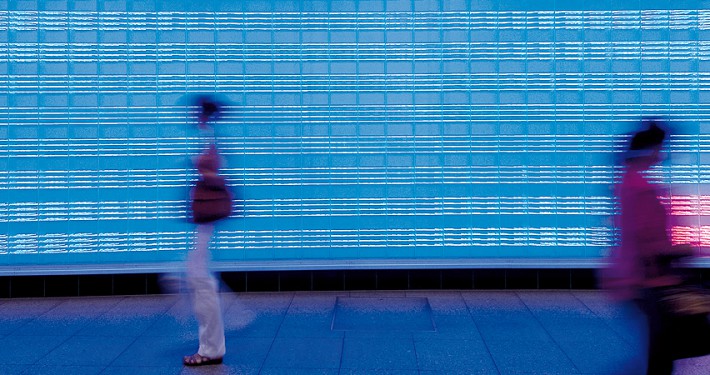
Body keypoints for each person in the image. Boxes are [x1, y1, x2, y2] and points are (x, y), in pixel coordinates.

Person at [602, 119, 706, 374]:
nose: (664, 154)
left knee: (660, 348)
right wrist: (691, 250)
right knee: (663, 348)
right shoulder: (642, 189)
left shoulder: (626, 181)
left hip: (630, 275)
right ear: (650, 150)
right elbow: (651, 243)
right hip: (649, 279)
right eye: (661, 148)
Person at [182, 95, 231, 366]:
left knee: (199, 277)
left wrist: (204, 173)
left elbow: (214, 173)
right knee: (198, 276)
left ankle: (210, 349)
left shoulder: (208, 138)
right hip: (204, 219)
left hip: (206, 219)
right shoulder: (209, 137)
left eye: (196, 112)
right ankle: (212, 345)